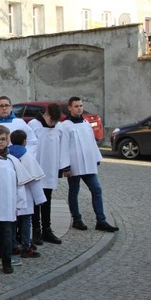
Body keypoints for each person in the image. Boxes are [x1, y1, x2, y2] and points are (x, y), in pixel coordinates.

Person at [0, 126, 33, 275]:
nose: (0, 142)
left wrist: (20, 203)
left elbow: (19, 184)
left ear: (8, 140)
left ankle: (6, 259)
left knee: (7, 234)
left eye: (3, 139)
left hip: (8, 204)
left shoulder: (12, 160)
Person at [62, 97, 119, 232]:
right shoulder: (65, 125)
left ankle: (101, 220)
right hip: (74, 164)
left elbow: (92, 142)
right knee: (74, 191)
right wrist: (65, 166)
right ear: (70, 108)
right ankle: (76, 219)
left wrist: (96, 157)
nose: (79, 108)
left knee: (96, 189)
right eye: (76, 106)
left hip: (88, 163)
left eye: (81, 106)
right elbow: (63, 147)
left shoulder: (86, 123)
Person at [28, 103, 70, 245]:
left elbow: (63, 147)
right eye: (52, 120)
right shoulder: (34, 125)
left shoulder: (59, 126)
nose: (53, 123)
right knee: (35, 201)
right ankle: (36, 231)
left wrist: (63, 166)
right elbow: (29, 147)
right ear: (46, 114)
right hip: (36, 167)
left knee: (47, 199)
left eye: (56, 121)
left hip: (50, 169)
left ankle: (47, 229)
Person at [8, 130, 46, 259]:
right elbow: (35, 179)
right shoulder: (27, 156)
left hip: (10, 193)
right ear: (25, 141)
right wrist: (39, 198)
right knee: (25, 221)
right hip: (26, 193)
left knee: (12, 221)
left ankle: (12, 245)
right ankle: (26, 246)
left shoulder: (6, 154)